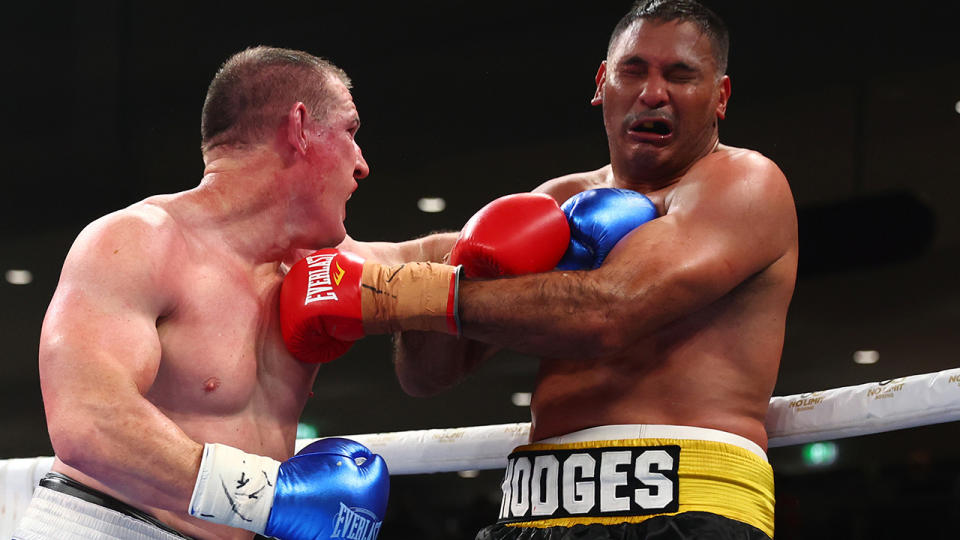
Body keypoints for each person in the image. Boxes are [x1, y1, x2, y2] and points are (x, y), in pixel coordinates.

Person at [281, 0, 797, 538]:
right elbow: (426, 376)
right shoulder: (557, 201)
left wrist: (395, 295)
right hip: (533, 514)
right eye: (634, 70)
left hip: (683, 508)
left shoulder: (745, 184)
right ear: (602, 82)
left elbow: (608, 312)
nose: (653, 92)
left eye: (681, 75)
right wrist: (414, 274)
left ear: (721, 96)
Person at [15, 46, 395, 540]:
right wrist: (267, 496)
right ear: (300, 127)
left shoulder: (311, 265)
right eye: (350, 131)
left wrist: (531, 208)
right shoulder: (140, 240)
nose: (362, 164)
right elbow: (89, 425)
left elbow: (438, 257)